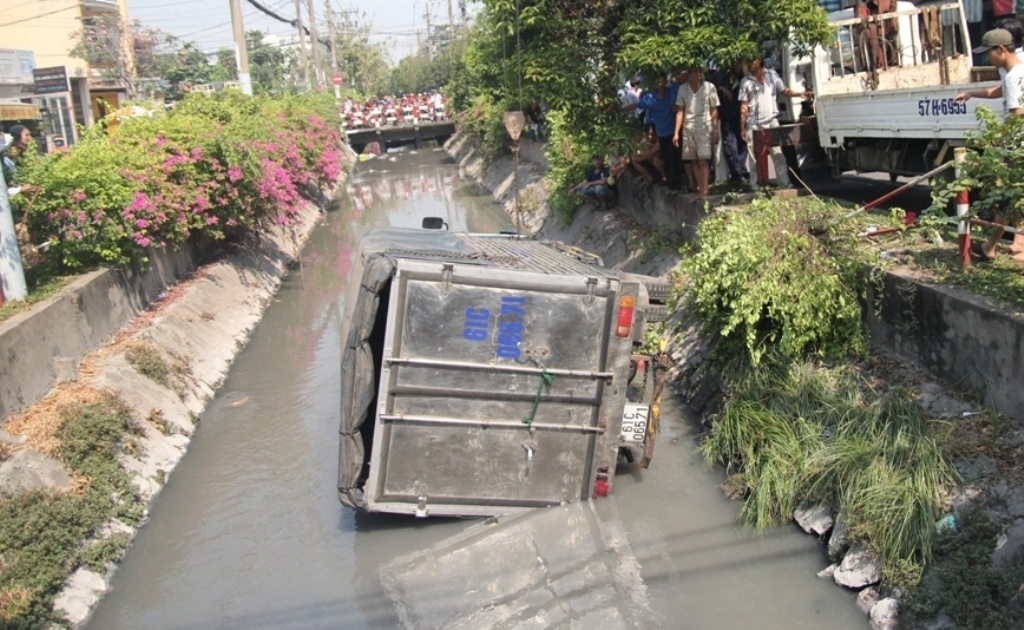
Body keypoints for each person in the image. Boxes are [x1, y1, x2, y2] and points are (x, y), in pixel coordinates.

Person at [954, 28, 1024, 262]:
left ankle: (993, 246)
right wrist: (972, 93)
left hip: (1016, 147)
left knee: (1006, 198)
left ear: (1001, 49)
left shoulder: (1013, 77)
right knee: (1012, 198)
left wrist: (999, 143)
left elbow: (1017, 118)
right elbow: (1000, 91)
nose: (987, 59)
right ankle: (996, 246)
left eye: (989, 53)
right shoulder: (1017, 69)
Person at [738, 56, 812, 189]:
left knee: (778, 155)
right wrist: (742, 127)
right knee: (754, 158)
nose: (750, 64)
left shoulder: (771, 75)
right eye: (748, 61)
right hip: (754, 123)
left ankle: (784, 184)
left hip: (772, 121)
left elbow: (784, 90)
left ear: (759, 60)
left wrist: (799, 94)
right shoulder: (746, 81)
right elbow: (744, 106)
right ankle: (755, 186)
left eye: (752, 60)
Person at [673, 65, 720, 197]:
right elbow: (680, 111)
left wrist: (715, 129)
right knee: (693, 160)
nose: (698, 74)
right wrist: (676, 132)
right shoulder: (683, 89)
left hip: (704, 126)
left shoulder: (709, 87)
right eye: (695, 71)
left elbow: (714, 109)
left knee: (703, 160)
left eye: (700, 71)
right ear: (690, 73)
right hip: (688, 127)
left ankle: (705, 190)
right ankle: (700, 188)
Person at [631, 75, 682, 194]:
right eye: (659, 82)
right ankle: (670, 184)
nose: (661, 84)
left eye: (663, 81)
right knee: (665, 160)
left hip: (673, 132)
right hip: (661, 134)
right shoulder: (651, 99)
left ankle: (675, 186)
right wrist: (617, 109)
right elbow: (635, 105)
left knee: (673, 159)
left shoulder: (671, 92)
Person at [714, 62, 751, 186]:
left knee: (742, 147)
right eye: (737, 65)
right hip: (727, 119)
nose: (740, 67)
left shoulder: (743, 81)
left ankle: (740, 172)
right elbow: (712, 82)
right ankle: (737, 174)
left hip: (740, 118)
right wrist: (723, 89)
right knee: (730, 148)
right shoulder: (723, 80)